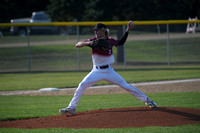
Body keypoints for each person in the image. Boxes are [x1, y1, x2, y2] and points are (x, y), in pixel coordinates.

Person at [59, 21, 157, 115]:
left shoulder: (110, 40)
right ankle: (72, 108)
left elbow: (121, 43)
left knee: (126, 85)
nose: (95, 32)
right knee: (82, 85)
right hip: (96, 71)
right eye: (95, 30)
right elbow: (78, 45)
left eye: (97, 30)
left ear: (103, 30)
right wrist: (90, 44)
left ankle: (148, 101)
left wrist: (127, 30)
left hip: (109, 71)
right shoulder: (93, 41)